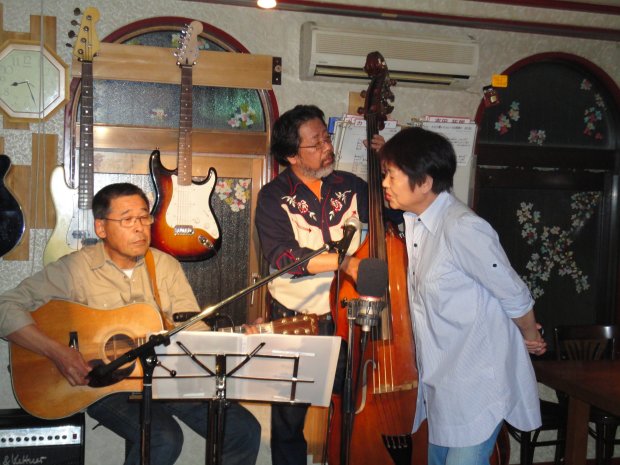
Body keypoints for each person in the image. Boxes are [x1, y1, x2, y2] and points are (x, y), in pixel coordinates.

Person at [0, 182, 260, 465]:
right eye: (127, 219)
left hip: (166, 377)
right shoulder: (74, 269)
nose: (139, 227)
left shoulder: (165, 266)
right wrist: (57, 352)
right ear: (101, 228)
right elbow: (5, 306)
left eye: (144, 217)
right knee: (163, 437)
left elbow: (193, 331)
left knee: (243, 430)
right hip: (104, 385)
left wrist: (237, 340)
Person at [378, 126, 547, 465]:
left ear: (424, 182)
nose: (384, 183)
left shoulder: (462, 227)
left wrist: (531, 336)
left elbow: (513, 291)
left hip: (478, 383)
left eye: (392, 176)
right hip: (444, 383)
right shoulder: (418, 225)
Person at [255, 105, 383, 465]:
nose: (328, 147)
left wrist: (388, 162)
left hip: (352, 316)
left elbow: (394, 216)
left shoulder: (353, 186)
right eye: (317, 143)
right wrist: (344, 263)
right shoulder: (274, 196)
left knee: (357, 408)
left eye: (327, 138)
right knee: (289, 418)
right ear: (292, 155)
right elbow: (284, 257)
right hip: (297, 318)